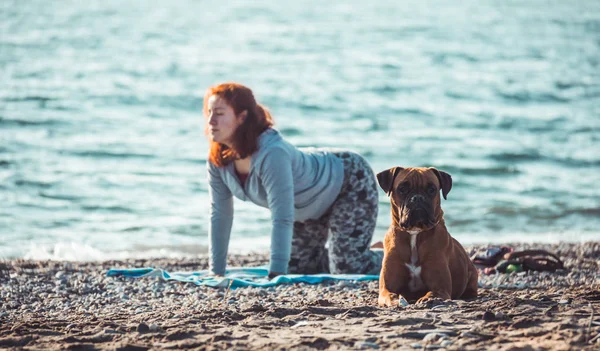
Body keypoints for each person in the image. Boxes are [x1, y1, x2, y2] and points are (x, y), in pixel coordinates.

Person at [204, 82, 383, 278]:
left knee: (348, 269)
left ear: (242, 117)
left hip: (349, 180)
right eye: (209, 112)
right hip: (307, 205)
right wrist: (216, 273)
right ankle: (354, 251)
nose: (211, 121)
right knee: (300, 269)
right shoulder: (218, 160)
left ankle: (395, 256)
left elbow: (282, 216)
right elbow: (220, 214)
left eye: (219, 113)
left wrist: (276, 275)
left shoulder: (272, 153)